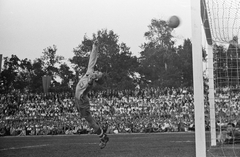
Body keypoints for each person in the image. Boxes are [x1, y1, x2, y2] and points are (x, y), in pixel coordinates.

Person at [75, 39, 109, 149]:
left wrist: (91, 80)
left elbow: (86, 88)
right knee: (89, 121)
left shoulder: (90, 83)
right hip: (78, 100)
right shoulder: (89, 72)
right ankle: (103, 134)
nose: (97, 71)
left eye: (98, 73)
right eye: (98, 71)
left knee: (90, 122)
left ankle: (103, 137)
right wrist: (95, 46)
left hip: (82, 101)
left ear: (97, 78)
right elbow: (92, 59)